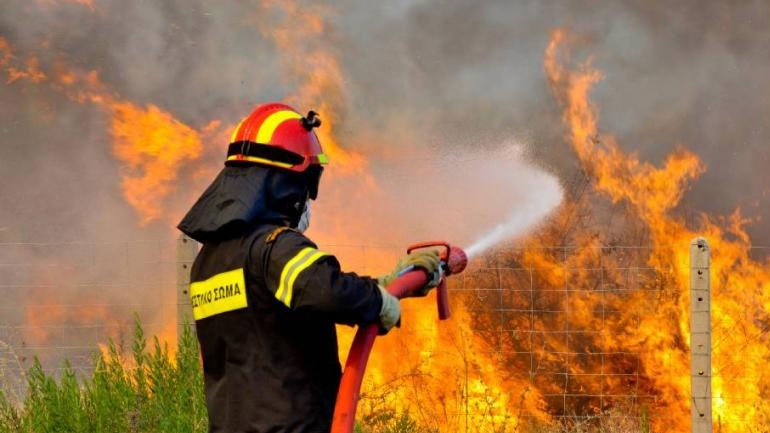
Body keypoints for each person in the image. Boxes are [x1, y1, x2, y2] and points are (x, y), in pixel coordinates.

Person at [177, 102, 441, 433]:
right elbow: (327, 290)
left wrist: (387, 283)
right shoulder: (274, 247)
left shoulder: (208, 262)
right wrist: (378, 301)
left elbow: (289, 300)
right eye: (306, 183)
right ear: (285, 185)